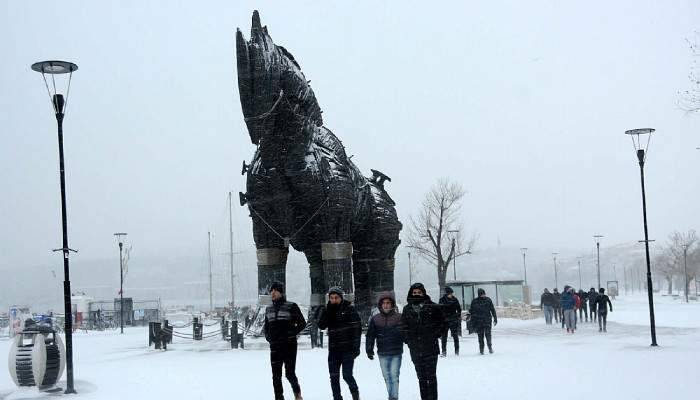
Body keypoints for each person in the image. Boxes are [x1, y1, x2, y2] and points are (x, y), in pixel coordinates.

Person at [400, 282, 446, 400]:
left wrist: (435, 334)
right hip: (415, 349)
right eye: (414, 293)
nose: (416, 294)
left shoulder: (433, 306)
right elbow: (403, 326)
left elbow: (443, 323)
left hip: (431, 347)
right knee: (421, 378)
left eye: (419, 293)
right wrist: (408, 340)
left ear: (423, 293)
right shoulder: (407, 309)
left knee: (431, 377)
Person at [263, 282, 307, 400]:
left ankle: (297, 394)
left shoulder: (291, 306)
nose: (272, 292)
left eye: (275, 290)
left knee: (289, 373)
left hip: (289, 345)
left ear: (281, 292)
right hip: (275, 346)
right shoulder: (269, 309)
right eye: (271, 290)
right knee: (276, 375)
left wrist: (291, 334)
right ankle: (279, 397)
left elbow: (302, 323)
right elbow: (266, 327)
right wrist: (269, 337)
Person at [318, 287, 362, 400]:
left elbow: (357, 328)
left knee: (347, 375)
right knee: (334, 377)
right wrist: (326, 312)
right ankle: (337, 398)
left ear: (341, 298)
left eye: (336, 298)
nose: (334, 300)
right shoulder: (328, 310)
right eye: (331, 298)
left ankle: (355, 395)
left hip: (347, 349)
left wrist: (356, 348)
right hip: (333, 350)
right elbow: (321, 325)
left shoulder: (349, 309)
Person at [366, 292, 404, 400]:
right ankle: (391, 396)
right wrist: (369, 349)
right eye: (384, 303)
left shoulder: (399, 318)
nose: (386, 305)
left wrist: (409, 341)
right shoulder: (376, 319)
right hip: (382, 352)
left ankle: (393, 398)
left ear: (392, 304)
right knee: (387, 377)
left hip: (396, 352)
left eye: (388, 303)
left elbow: (405, 332)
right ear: (380, 305)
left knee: (394, 376)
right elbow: (370, 335)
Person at [468, 288, 498, 355]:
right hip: (479, 322)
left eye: (484, 294)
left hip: (487, 321)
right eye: (482, 294)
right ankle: (481, 350)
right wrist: (470, 316)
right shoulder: (475, 301)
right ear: (479, 295)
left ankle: (490, 348)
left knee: (488, 335)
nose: (484, 295)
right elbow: (471, 311)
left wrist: (495, 318)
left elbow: (492, 310)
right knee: (480, 336)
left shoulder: (488, 300)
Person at [439, 286, 462, 356]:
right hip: (444, 321)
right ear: (447, 293)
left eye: (452, 293)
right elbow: (439, 310)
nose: (451, 295)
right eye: (450, 293)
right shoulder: (442, 300)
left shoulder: (455, 299)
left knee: (455, 336)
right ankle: (444, 351)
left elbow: (459, 309)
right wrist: (442, 317)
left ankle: (457, 351)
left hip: (453, 320)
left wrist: (457, 316)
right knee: (444, 337)